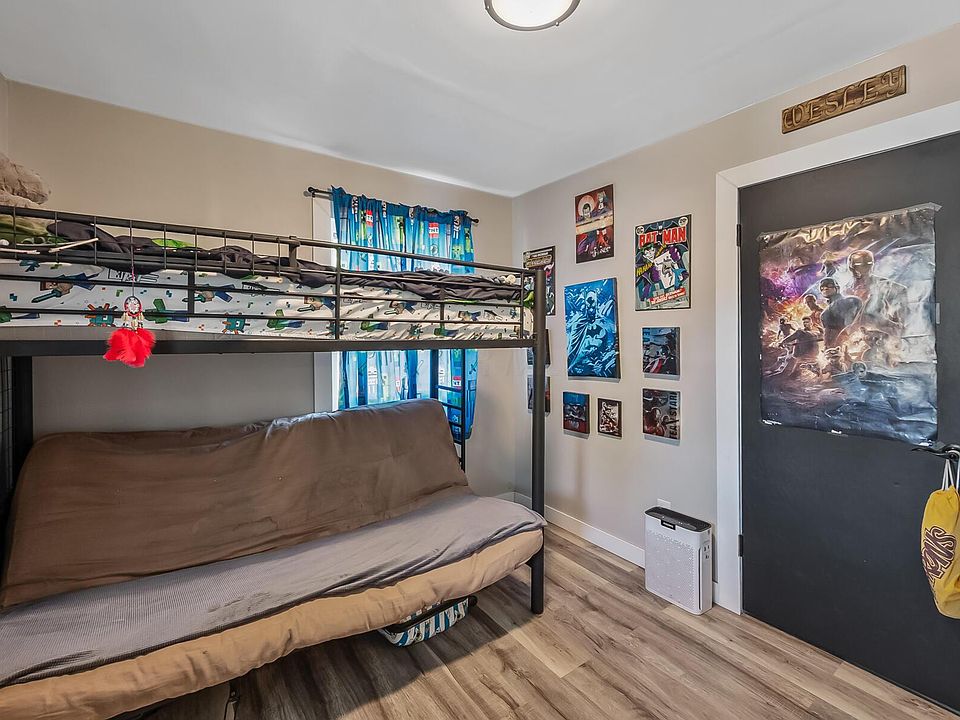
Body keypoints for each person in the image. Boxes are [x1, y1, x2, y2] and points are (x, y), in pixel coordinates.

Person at [847, 249, 907, 335]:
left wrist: (897, 323)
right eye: (859, 265)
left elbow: (901, 292)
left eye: (867, 265)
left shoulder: (885, 285)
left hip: (880, 332)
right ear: (851, 267)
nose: (864, 269)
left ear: (872, 265)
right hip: (854, 334)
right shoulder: (847, 290)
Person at [819, 277, 862, 346]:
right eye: (822, 288)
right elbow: (828, 336)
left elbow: (857, 319)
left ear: (837, 288)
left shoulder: (851, 300)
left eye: (829, 286)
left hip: (857, 338)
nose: (825, 288)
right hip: (839, 345)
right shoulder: (824, 314)